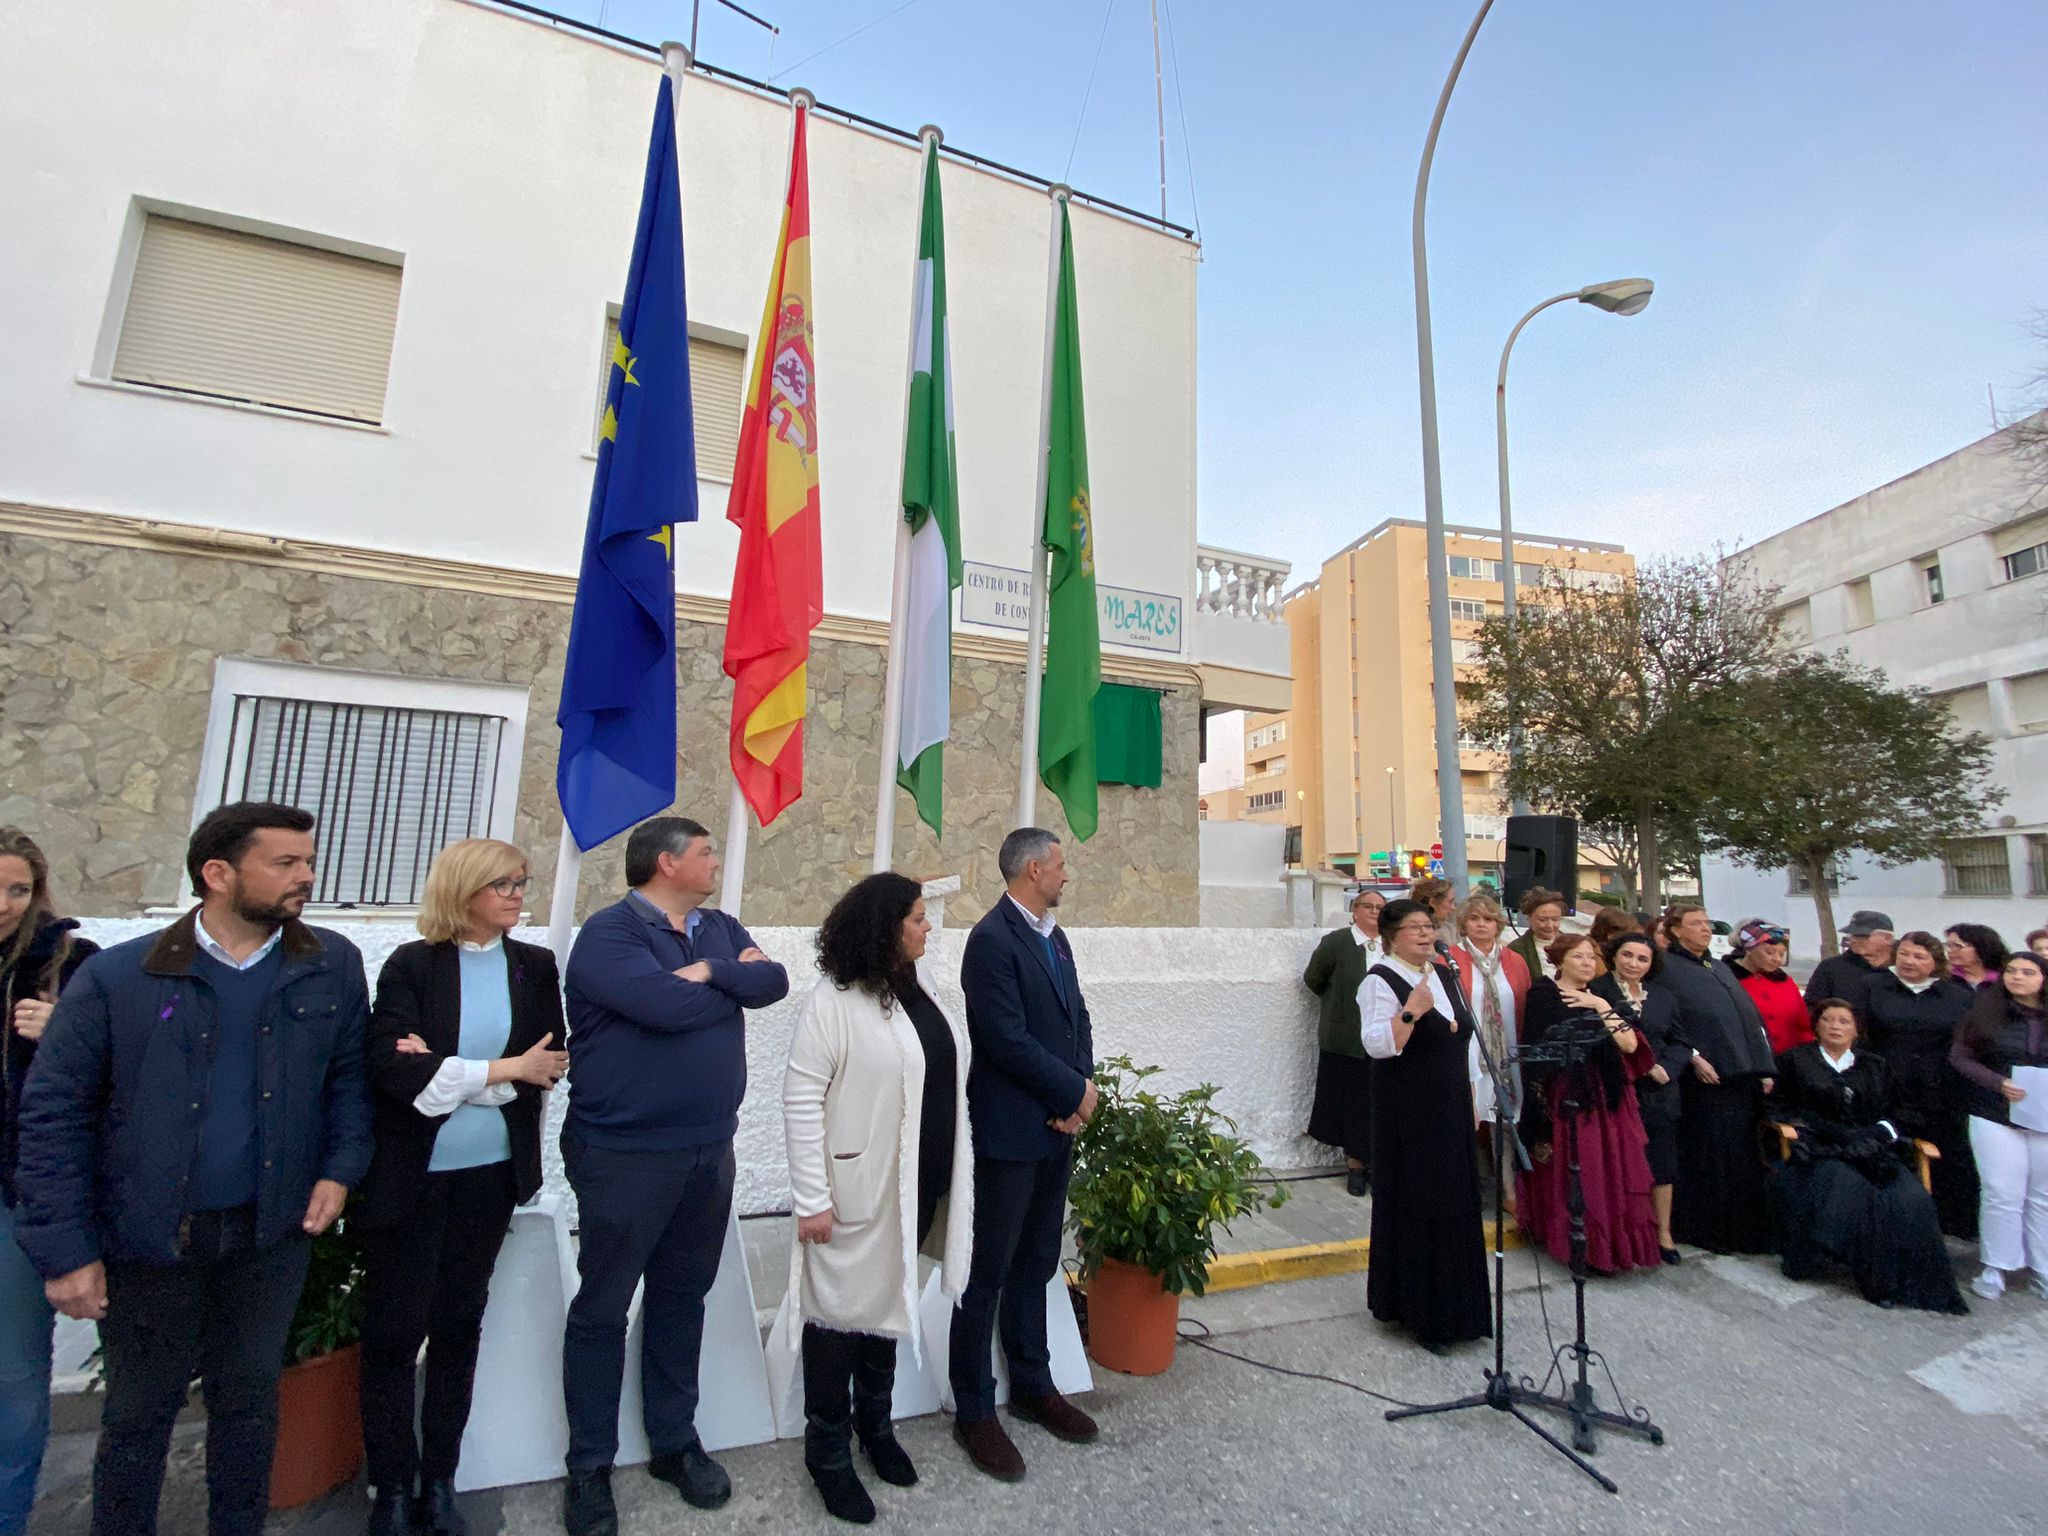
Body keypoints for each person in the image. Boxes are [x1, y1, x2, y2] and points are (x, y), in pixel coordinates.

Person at [14, 802, 372, 1536]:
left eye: (308, 861)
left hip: (269, 1234)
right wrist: (68, 1253)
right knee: (139, 1417)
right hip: (150, 1242)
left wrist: (339, 1168)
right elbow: (55, 1116)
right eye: (286, 863)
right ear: (217, 873)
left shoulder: (329, 963)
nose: (306, 876)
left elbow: (347, 1081)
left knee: (249, 1405)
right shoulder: (122, 976)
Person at [558, 817, 788, 1536]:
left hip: (706, 1150)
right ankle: (590, 1466)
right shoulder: (609, 935)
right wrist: (730, 985)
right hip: (625, 1154)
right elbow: (663, 1006)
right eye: (706, 851)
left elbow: (772, 980)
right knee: (603, 1306)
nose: (716, 861)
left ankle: (673, 1442)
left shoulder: (716, 928)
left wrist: (718, 970)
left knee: (682, 1298)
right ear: (667, 863)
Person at [355, 840, 568, 1536]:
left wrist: (459, 1074)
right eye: (503, 883)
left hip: (489, 1179)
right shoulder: (413, 965)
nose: (516, 894)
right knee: (393, 1332)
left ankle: (439, 1479)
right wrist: (497, 1073)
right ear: (465, 889)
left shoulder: (533, 967)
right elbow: (394, 1072)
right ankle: (390, 1484)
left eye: (521, 884)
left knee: (457, 1326)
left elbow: (548, 1066)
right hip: (412, 1179)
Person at [778, 873, 973, 1524]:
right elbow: (802, 1098)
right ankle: (827, 1451)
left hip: (919, 1184)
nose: (927, 928)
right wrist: (811, 1197)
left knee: (888, 1299)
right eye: (918, 918)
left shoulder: (921, 990)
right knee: (837, 1315)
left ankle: (876, 1426)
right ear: (884, 927)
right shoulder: (835, 999)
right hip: (853, 1190)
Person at [951, 829, 1099, 1481]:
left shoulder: (1053, 936)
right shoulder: (990, 942)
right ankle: (976, 1411)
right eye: (1060, 865)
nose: (1067, 875)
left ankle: (1033, 1387)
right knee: (988, 1268)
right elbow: (1004, 1040)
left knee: (1037, 1260)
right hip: (1010, 1131)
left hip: (1056, 1127)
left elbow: (1077, 1018)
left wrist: (1082, 1090)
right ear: (1033, 869)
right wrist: (1070, 1090)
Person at [0, 829, 99, 1531]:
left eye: (18, 889)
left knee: (15, 1384)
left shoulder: (71, 967)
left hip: (17, 1196)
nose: (4, 905)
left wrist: (66, 1034)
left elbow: (128, 1080)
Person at [1767, 999, 1967, 1314]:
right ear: (1816, 1025)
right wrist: (1827, 1131)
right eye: (1828, 1020)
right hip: (1821, 1148)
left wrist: (1876, 1133)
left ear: (1857, 1030)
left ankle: (1904, 1280)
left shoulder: (1876, 1065)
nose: (1835, 1026)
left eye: (1844, 1021)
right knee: (1849, 1189)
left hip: (1872, 1147)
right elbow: (1781, 1109)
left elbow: (1901, 1112)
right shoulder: (1794, 1061)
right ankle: (1868, 1274)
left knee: (1908, 1198)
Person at [1358, 899, 1490, 1351]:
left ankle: (1461, 1310)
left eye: (1428, 926)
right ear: (1391, 936)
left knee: (1456, 1198)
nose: (1424, 933)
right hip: (1409, 1113)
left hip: (1450, 1106)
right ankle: (1422, 1313)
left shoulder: (1445, 972)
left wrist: (1472, 1098)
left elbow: (1466, 1044)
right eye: (1413, 927)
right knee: (1422, 1201)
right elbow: (1377, 1045)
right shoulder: (1380, 980)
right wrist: (1411, 1011)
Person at [1514, 934, 1661, 1274]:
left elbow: (1627, 1044)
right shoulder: (1544, 994)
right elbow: (1539, 1051)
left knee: (1614, 1170)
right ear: (1560, 959)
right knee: (1585, 1172)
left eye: (1591, 957)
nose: (1586, 963)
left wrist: (1599, 1006)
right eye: (1578, 956)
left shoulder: (1604, 996)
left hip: (1608, 1093)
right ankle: (1586, 1249)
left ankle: (1611, 1247)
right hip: (1570, 1093)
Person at [1660, 904, 1777, 1253]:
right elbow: (1666, 1021)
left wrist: (1764, 1065)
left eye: (1707, 924)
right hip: (1704, 1079)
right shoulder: (1665, 968)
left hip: (1741, 1074)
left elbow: (1749, 1017)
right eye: (1695, 924)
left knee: (1741, 1156)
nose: (1705, 929)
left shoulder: (1719, 966)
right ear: (1676, 930)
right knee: (1710, 1156)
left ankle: (1744, 1230)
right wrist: (1693, 1056)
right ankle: (1710, 1231)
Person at [1859, 931, 1978, 1239]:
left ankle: (1948, 1223)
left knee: (1946, 1157)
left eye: (1919, 956)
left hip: (1939, 1090)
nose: (1909, 961)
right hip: (1886, 1086)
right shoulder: (1872, 986)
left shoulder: (1957, 994)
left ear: (1935, 962)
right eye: (1904, 955)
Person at [1949, 951, 2048, 1302]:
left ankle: (2043, 1268)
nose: (2017, 977)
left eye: (2027, 971)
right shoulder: (1986, 1012)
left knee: (2042, 1196)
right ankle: (1996, 1266)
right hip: (1994, 1112)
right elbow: (1960, 1057)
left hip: (2044, 1115)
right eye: (2011, 971)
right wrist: (1997, 1082)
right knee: (2001, 1191)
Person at [1593, 932, 1688, 1263]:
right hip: (1617, 1088)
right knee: (1621, 1164)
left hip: (1660, 1091)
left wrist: (1668, 1067)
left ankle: (1664, 1233)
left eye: (1642, 958)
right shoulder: (1597, 991)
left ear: (1651, 964)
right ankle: (1626, 1235)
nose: (1633, 963)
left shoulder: (1663, 997)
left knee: (1663, 1165)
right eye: (1627, 955)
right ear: (1614, 956)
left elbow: (1680, 1040)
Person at [1303, 889, 1385, 1195]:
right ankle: (1355, 1164)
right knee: (1352, 1102)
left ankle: (1377, 1162)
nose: (1374, 912)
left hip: (1383, 1037)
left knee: (1380, 1102)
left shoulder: (1389, 944)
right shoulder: (1338, 943)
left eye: (1380, 907)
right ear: (1355, 910)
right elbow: (1314, 979)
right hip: (1347, 1039)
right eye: (1368, 906)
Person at [1449, 893, 1529, 1133]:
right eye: (1474, 918)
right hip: (1469, 1047)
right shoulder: (1449, 959)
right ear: (1464, 924)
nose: (1481, 924)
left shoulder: (1514, 960)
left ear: (1498, 925)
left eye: (1488, 919)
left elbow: (1524, 1002)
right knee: (1471, 1111)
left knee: (1508, 1115)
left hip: (1510, 1047)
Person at [1728, 919, 1810, 1054]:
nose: (1777, 959)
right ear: (1749, 949)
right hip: (1748, 1061)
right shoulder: (1728, 980)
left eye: (1781, 954)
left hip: (1789, 1060)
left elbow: (1803, 1025)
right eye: (1769, 952)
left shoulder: (1784, 981)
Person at [1804, 911, 1894, 1012]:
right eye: (1853, 935)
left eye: (1863, 936)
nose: (1853, 940)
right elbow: (1811, 1008)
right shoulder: (1831, 968)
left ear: (1887, 938)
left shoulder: (1901, 971)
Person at [1507, 887, 1567, 982]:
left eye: (1555, 919)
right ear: (1529, 918)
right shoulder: (1516, 949)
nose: (1549, 925)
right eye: (1542, 920)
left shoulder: (1574, 944)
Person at [1945, 924, 2010, 992]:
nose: (1949, 951)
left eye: (1957, 945)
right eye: (1948, 946)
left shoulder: (2004, 981)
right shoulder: (1945, 979)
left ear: (1981, 948)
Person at [1409, 877, 1457, 949]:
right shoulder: (1416, 934)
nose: (1453, 908)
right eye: (1450, 902)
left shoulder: (1449, 928)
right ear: (1433, 903)